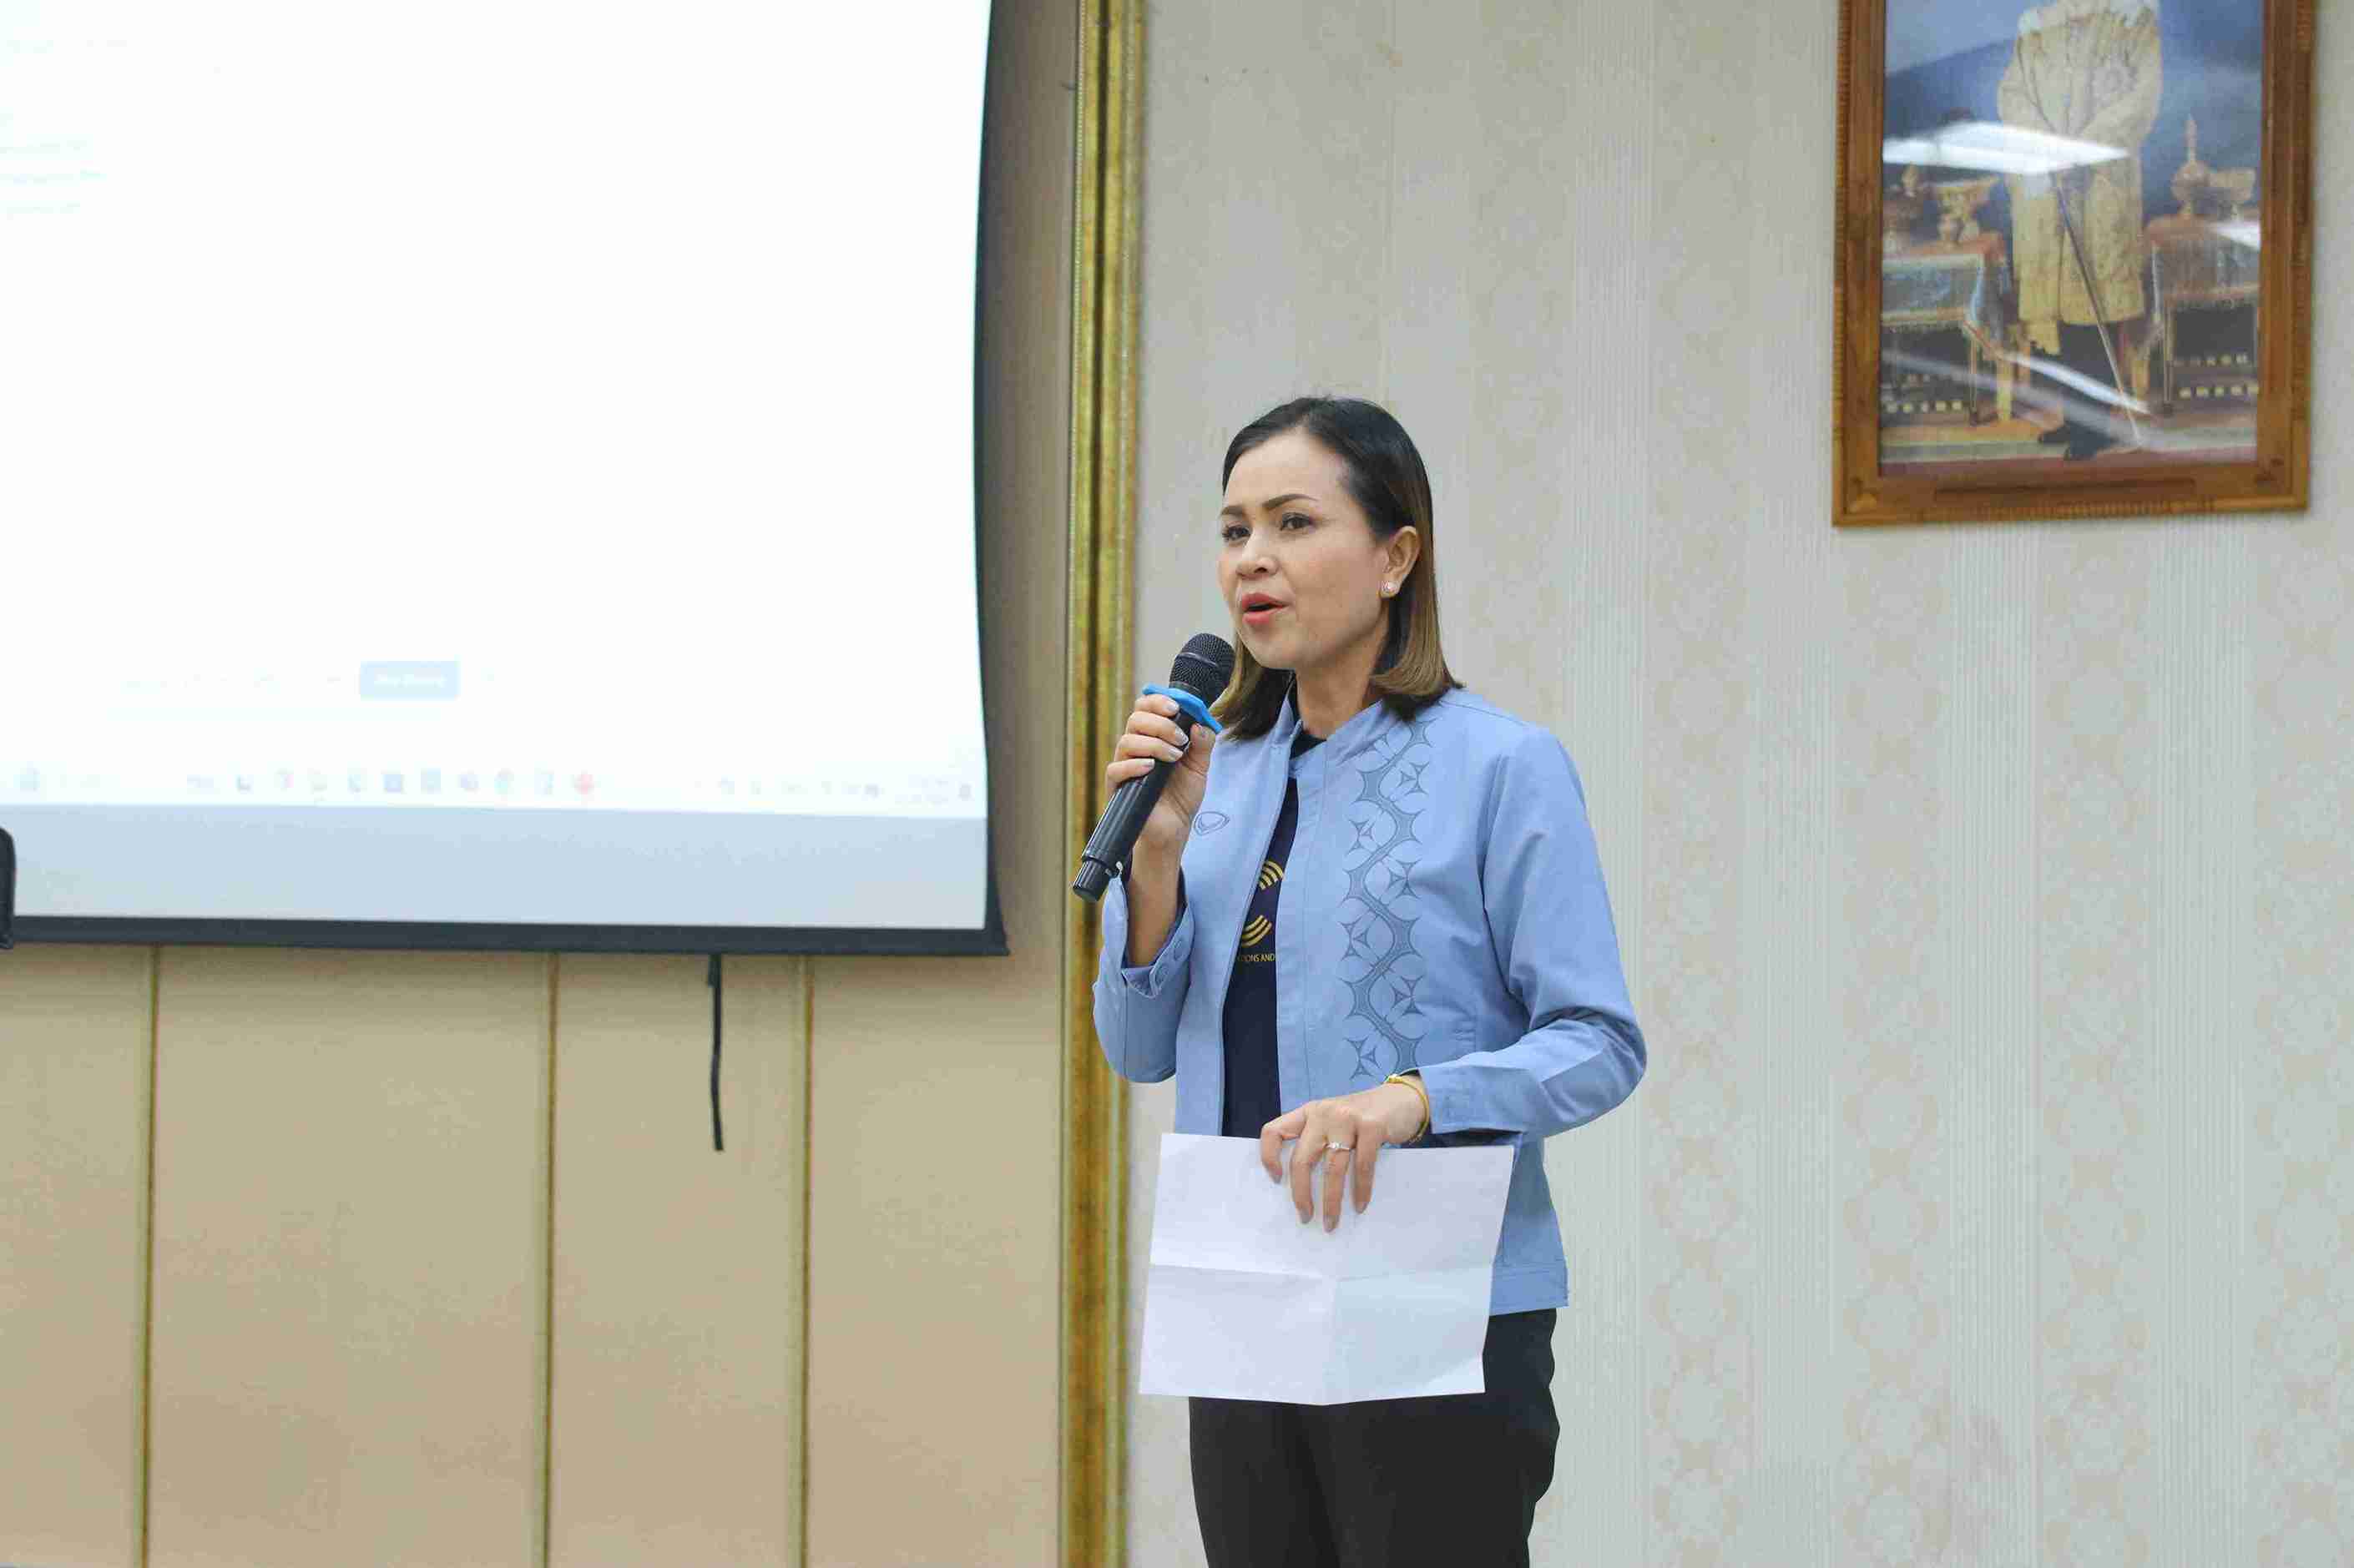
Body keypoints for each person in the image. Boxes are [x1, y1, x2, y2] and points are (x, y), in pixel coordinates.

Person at [1093, 396, 1645, 1567]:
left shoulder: (1501, 765)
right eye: (1235, 529)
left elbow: (1599, 1040)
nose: (1253, 559)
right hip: (1245, 1290)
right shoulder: (1212, 777)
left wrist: (1414, 1097)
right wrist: (1158, 855)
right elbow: (1138, 1050)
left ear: (1397, 557)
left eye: (1294, 523)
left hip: (1434, 1297)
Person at [1998, 0, 2165, 458]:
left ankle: (2096, 424)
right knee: (2062, 310)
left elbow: (2143, 98)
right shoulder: (2036, 27)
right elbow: (2013, 94)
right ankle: (2076, 418)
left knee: (2094, 304)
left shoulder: (2131, 19)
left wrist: (2079, 150)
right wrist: (2045, 147)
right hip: (2046, 182)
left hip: (2100, 182)